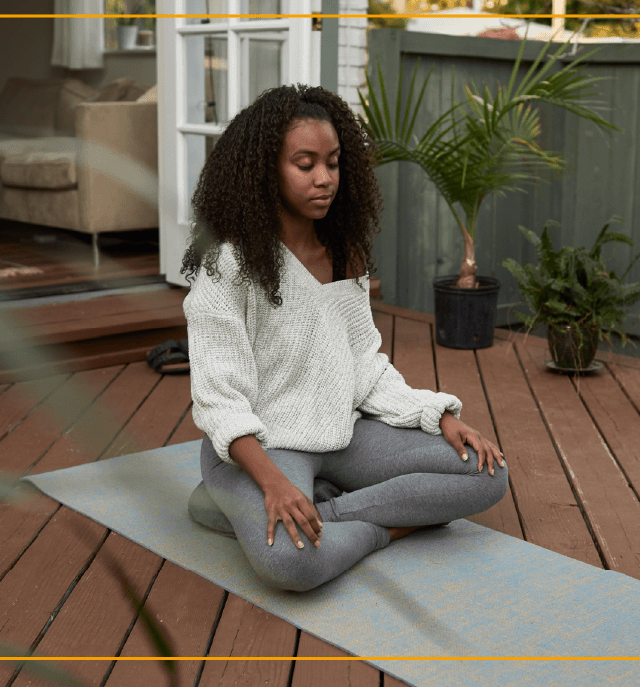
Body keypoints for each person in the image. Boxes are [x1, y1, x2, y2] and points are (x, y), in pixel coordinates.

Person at [181, 84, 508, 592]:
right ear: (266, 170)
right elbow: (219, 400)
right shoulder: (228, 264)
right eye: (305, 164)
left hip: (342, 431)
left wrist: (437, 415)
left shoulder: (344, 253)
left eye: (333, 163)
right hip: (261, 448)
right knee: (293, 565)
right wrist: (273, 485)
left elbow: (364, 363)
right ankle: (376, 527)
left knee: (488, 472)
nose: (324, 179)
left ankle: (314, 510)